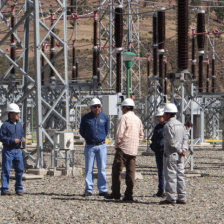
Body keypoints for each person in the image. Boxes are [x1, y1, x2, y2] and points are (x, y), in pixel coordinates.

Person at [105, 98, 143, 202]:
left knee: (116, 171)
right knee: (131, 173)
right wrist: (136, 144)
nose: (122, 109)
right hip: (133, 150)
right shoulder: (137, 119)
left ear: (125, 108)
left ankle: (116, 193)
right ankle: (129, 194)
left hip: (123, 148)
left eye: (122, 107)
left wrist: (117, 145)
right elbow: (141, 135)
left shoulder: (124, 118)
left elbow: (119, 134)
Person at [79, 98, 109, 197]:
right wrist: (88, 138)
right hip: (90, 146)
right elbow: (82, 131)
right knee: (88, 169)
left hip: (101, 146)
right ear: (91, 108)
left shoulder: (104, 117)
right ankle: (88, 189)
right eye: (95, 107)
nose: (97, 108)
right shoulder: (86, 118)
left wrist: (100, 138)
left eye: (98, 106)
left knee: (102, 169)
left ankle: (102, 189)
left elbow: (106, 130)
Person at [159, 103, 188, 205]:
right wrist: (184, 149)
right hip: (181, 155)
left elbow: (171, 141)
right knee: (180, 175)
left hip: (171, 154)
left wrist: (180, 149)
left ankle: (171, 198)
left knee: (171, 176)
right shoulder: (181, 124)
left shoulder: (168, 126)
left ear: (167, 114)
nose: (163, 116)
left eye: (164, 114)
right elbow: (185, 138)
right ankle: (182, 197)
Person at [0, 103, 25, 196]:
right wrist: (12, 140)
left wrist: (23, 139)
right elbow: (1, 137)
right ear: (11, 114)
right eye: (16, 113)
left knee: (20, 169)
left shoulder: (19, 125)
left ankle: (19, 189)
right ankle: (4, 188)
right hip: (8, 150)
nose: (18, 115)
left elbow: (22, 134)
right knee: (6, 169)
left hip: (17, 151)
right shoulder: (5, 125)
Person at [150, 108, 166, 197]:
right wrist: (153, 146)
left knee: (165, 172)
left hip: (164, 152)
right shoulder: (157, 127)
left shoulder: (166, 127)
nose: (158, 119)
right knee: (160, 172)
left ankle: (165, 190)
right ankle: (161, 190)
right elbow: (154, 138)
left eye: (159, 117)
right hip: (158, 152)